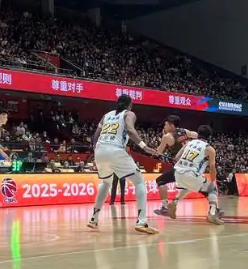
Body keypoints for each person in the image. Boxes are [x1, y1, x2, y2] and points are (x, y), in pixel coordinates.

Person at [87, 95, 158, 234]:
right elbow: (130, 130)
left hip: (100, 150)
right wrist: (144, 147)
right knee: (139, 181)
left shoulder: (106, 115)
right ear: (130, 105)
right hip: (115, 149)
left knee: (105, 183)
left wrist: (96, 149)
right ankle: (142, 221)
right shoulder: (129, 114)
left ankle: (93, 219)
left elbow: (96, 134)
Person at [167, 125, 222, 225]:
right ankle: (212, 214)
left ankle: (174, 202)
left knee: (188, 187)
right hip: (191, 173)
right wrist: (212, 181)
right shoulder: (210, 149)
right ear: (209, 136)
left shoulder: (189, 143)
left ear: (198, 133)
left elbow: (176, 157)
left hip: (178, 172)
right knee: (212, 189)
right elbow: (212, 167)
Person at [152, 115, 197, 218]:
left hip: (181, 166)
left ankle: (165, 208)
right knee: (198, 187)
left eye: (166, 125)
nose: (164, 127)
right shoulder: (185, 131)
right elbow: (195, 134)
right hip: (191, 165)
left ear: (172, 125)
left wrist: (161, 141)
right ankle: (214, 208)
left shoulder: (167, 136)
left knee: (160, 181)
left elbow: (158, 152)